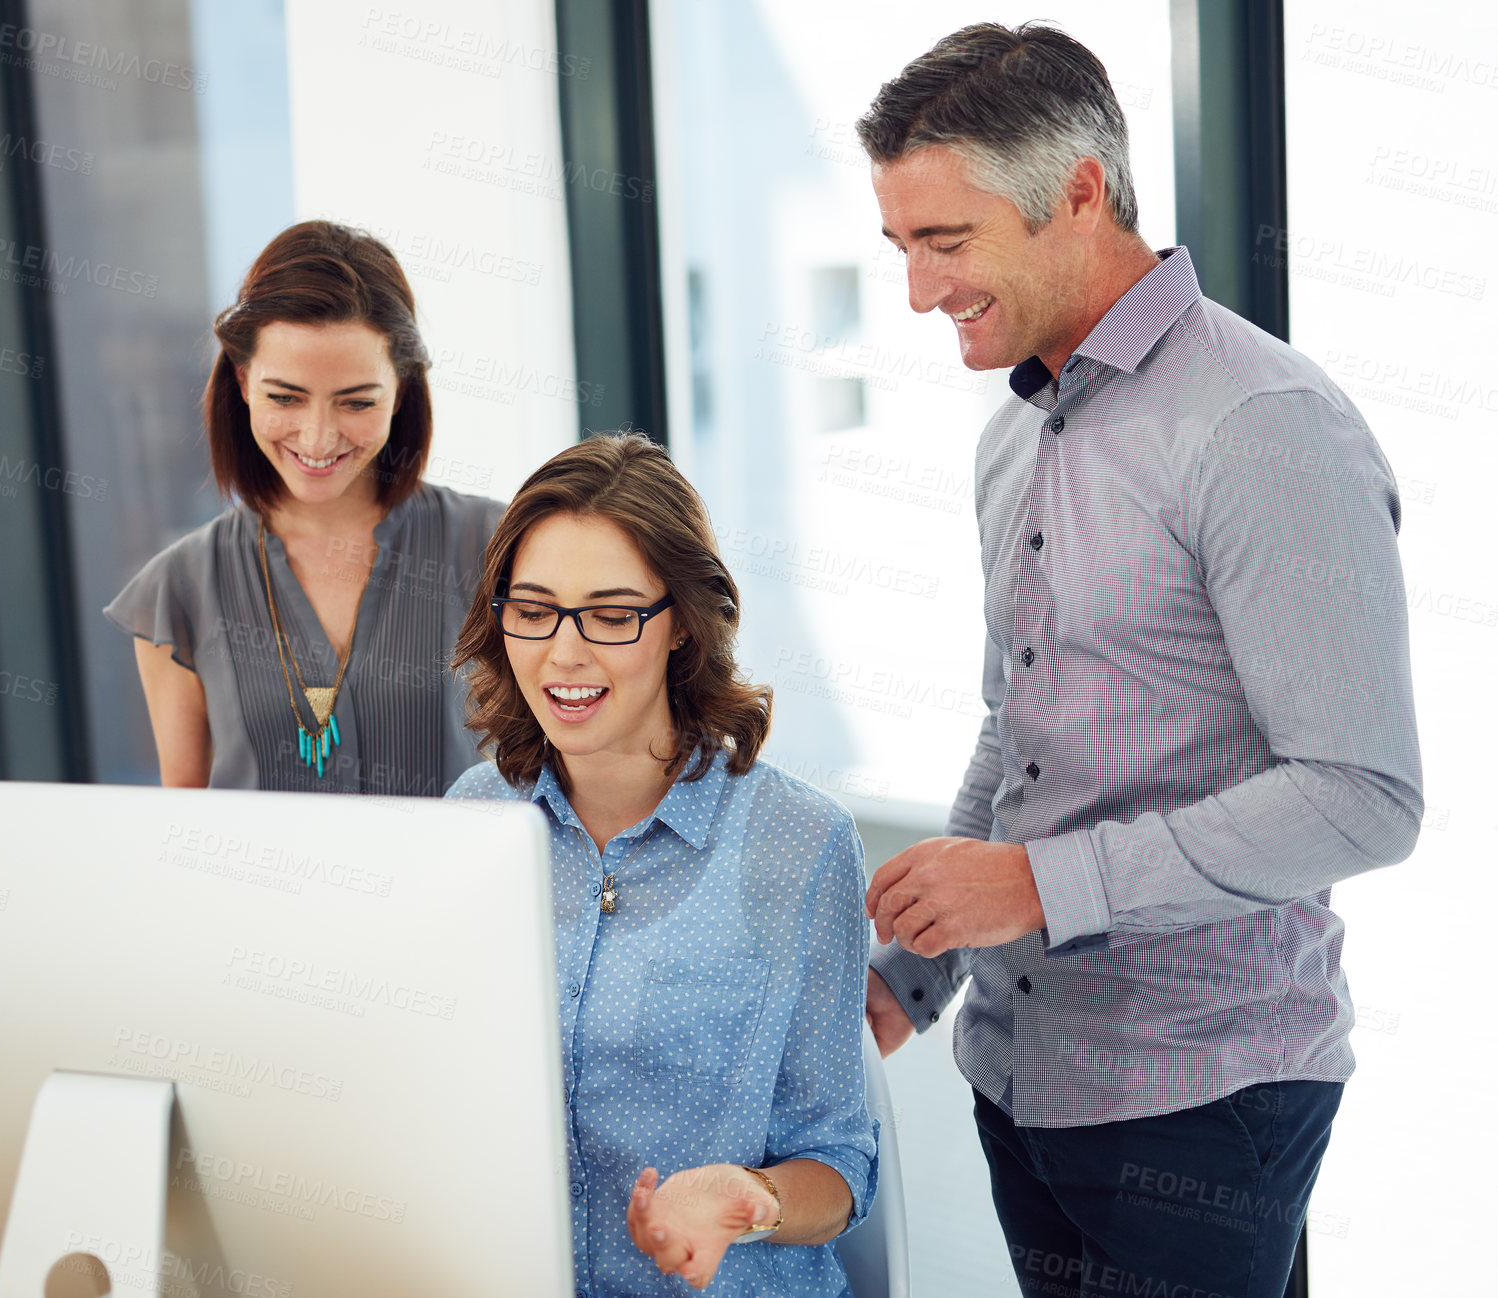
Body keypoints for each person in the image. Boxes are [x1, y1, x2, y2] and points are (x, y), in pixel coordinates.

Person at [855, 22, 1421, 1298]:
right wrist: (913, 970)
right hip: (1018, 1076)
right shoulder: (1014, 437)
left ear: (1076, 193)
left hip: (1203, 1097)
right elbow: (1017, 726)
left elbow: (1360, 793)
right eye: (898, 247)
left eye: (945, 242)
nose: (916, 291)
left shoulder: (1261, 426)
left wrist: (1040, 887)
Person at [445, 433, 876, 1295]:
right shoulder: (474, 818)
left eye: (612, 615)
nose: (565, 653)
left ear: (680, 623)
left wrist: (747, 1197)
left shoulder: (800, 842)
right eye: (533, 609)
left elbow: (840, 1163)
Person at [106, 220, 500, 794]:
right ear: (242, 382)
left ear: (402, 391)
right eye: (284, 397)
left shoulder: (496, 545)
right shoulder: (179, 589)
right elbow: (184, 819)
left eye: (357, 401)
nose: (317, 439)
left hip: (455, 885)